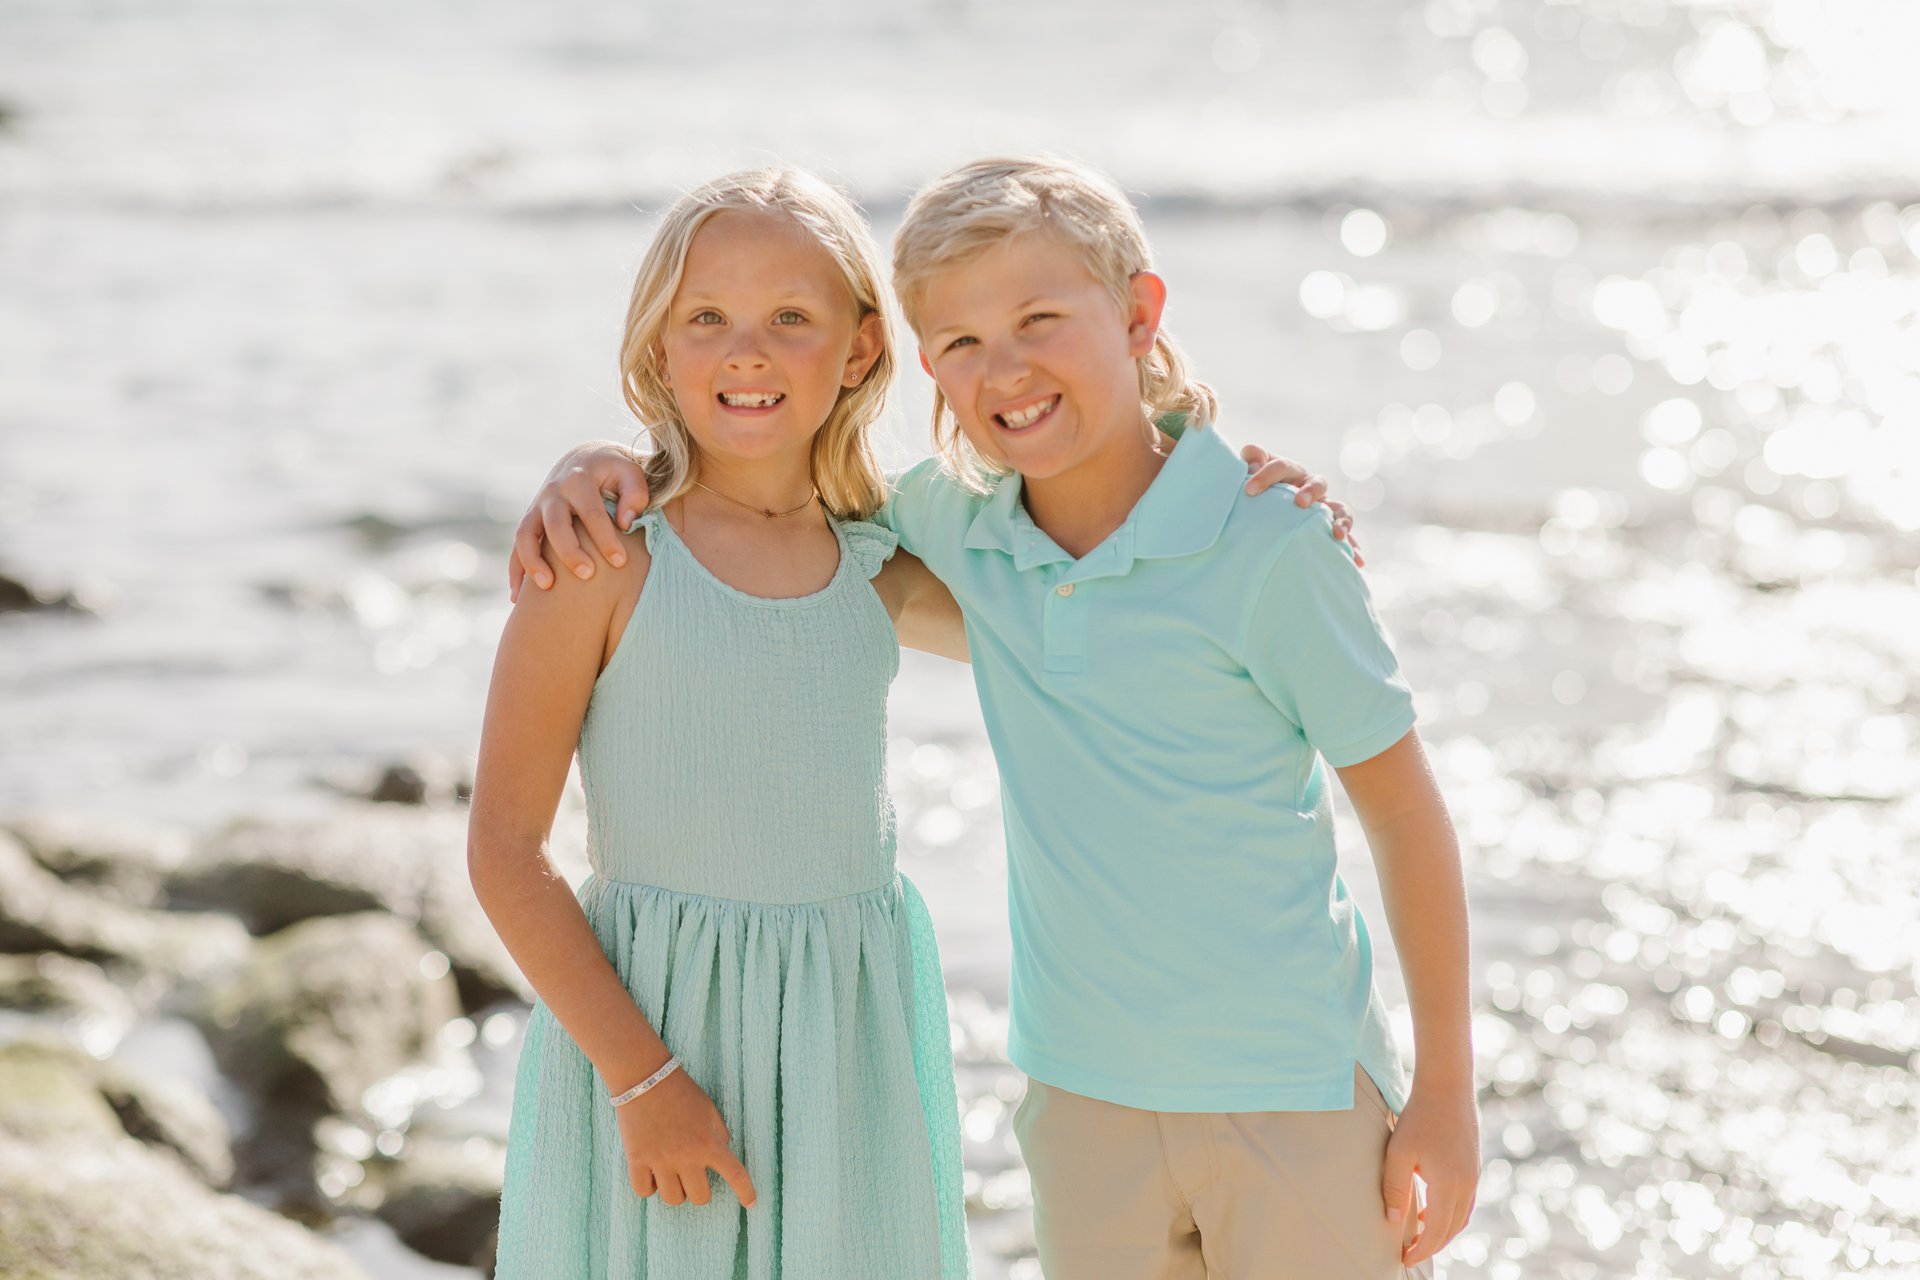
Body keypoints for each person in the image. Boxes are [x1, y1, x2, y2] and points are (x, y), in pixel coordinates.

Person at [515, 155, 1473, 1279]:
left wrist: (1447, 1093)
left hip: (1288, 1088)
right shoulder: (951, 531)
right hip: (1080, 1104)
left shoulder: (1261, 544)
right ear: (922, 361)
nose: (1005, 368)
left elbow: (1404, 814)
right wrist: (597, 463)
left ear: (1139, 313)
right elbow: (751, 515)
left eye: (1039, 320)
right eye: (963, 340)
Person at [468, 167, 976, 1279]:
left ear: (860, 349)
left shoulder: (876, 562)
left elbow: (1078, 608)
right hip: (653, 1039)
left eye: (790, 318)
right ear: (659, 350)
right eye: (707, 318)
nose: (747, 352)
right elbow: (504, 848)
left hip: (846, 1045)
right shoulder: (603, 557)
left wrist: (1228, 487)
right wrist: (642, 1081)